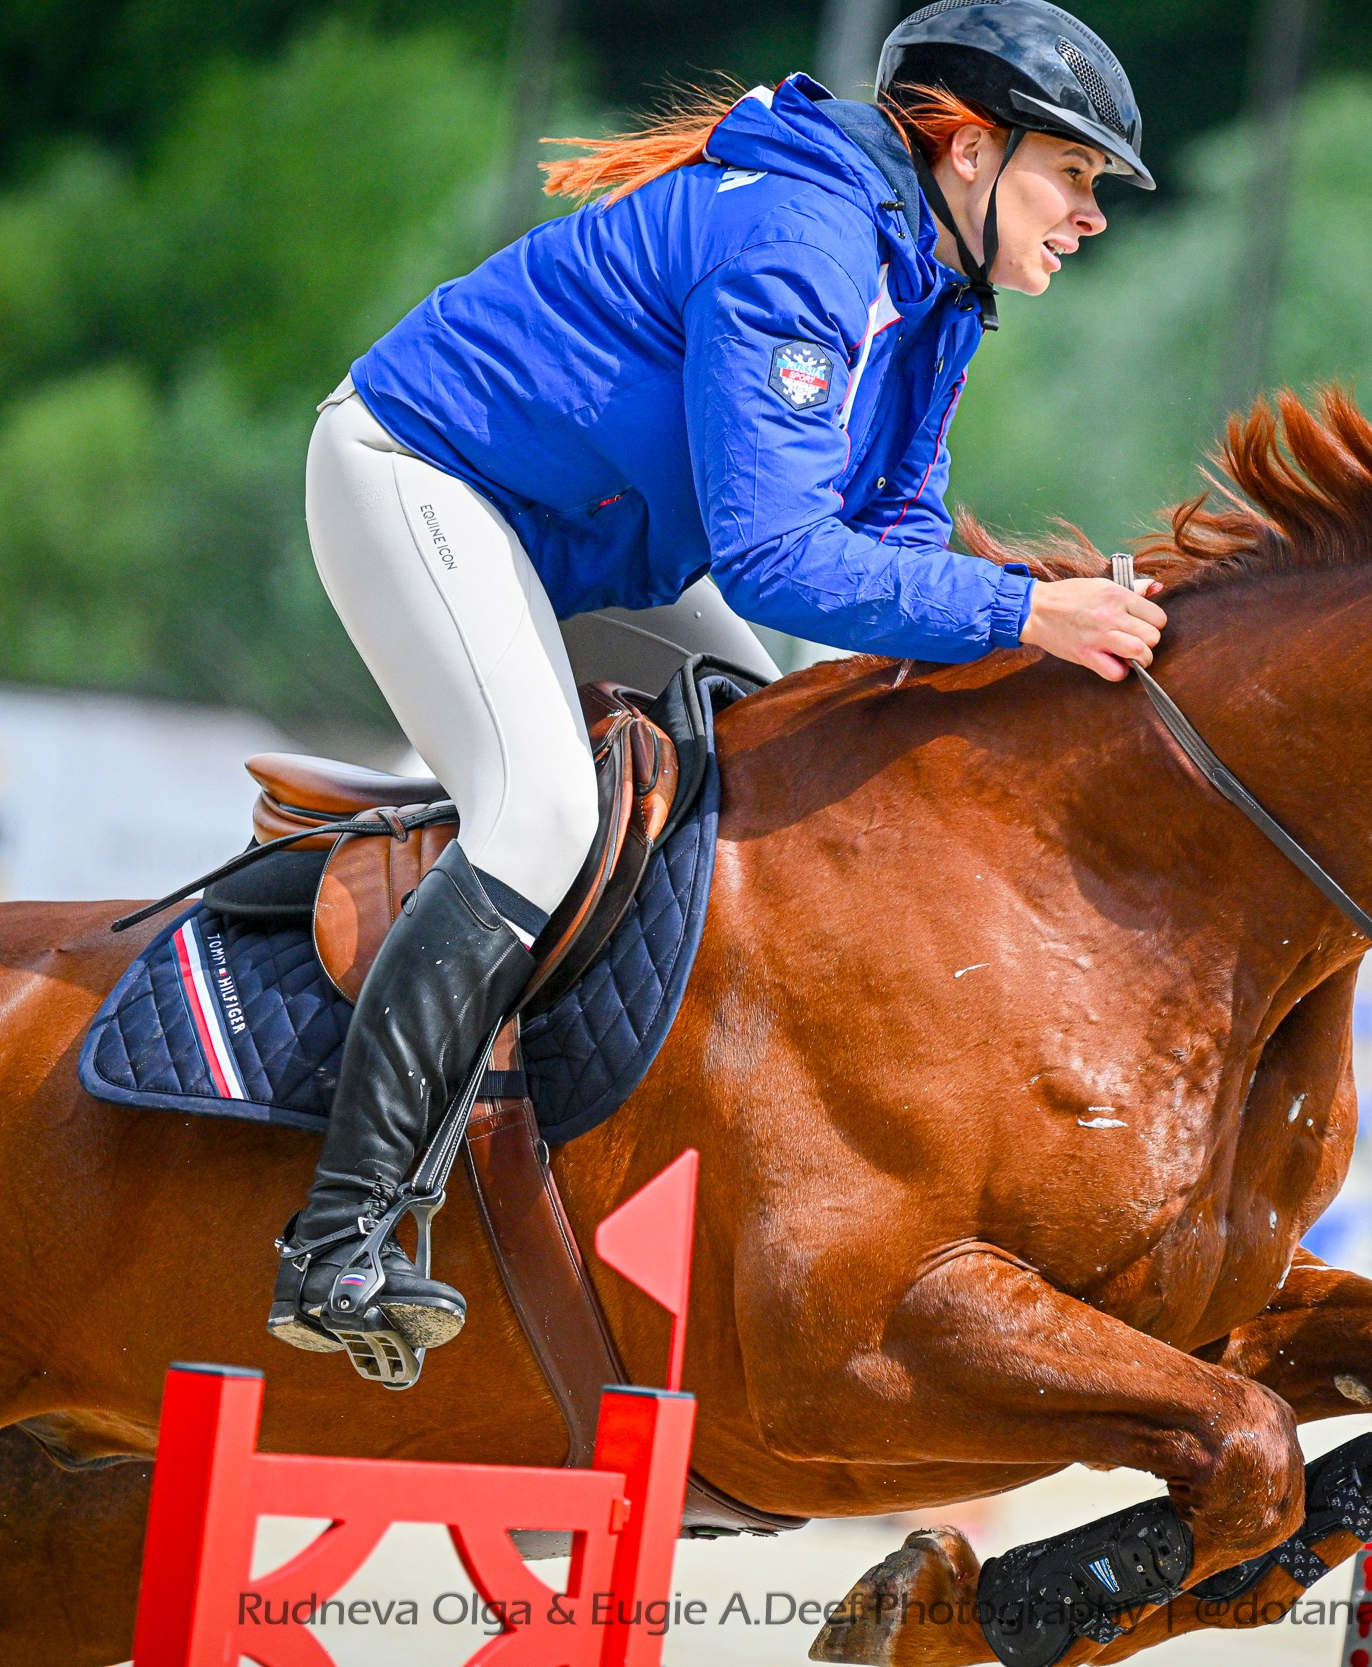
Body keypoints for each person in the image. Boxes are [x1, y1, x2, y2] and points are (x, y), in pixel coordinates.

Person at [271, 0, 1171, 1366]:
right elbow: (773, 563)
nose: (1093, 215)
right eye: (1076, 173)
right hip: (420, 474)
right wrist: (1027, 613)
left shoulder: (936, 289)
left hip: (588, 540)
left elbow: (894, 540)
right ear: (973, 153)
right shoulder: (808, 248)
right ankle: (336, 1244)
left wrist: (1024, 647)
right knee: (540, 821)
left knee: (768, 778)